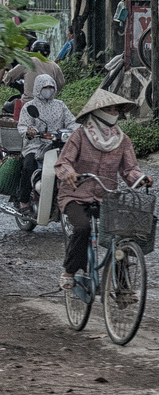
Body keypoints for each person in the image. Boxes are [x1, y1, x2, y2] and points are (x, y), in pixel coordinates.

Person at [55, 88, 148, 292]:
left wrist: (140, 179)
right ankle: (69, 271)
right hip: (75, 195)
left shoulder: (122, 140)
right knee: (82, 228)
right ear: (98, 111)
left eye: (117, 110)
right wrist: (69, 173)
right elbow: (63, 162)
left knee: (121, 236)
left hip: (106, 197)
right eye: (111, 109)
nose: (115, 113)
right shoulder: (79, 135)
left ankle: (123, 287)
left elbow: (130, 169)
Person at [13, 73, 76, 213]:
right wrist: (30, 131)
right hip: (35, 146)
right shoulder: (30, 106)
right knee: (29, 166)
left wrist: (80, 130)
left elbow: (72, 121)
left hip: (58, 145)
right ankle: (23, 201)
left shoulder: (60, 105)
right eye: (45, 87)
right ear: (38, 88)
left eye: (50, 87)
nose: (48, 90)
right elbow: (22, 125)